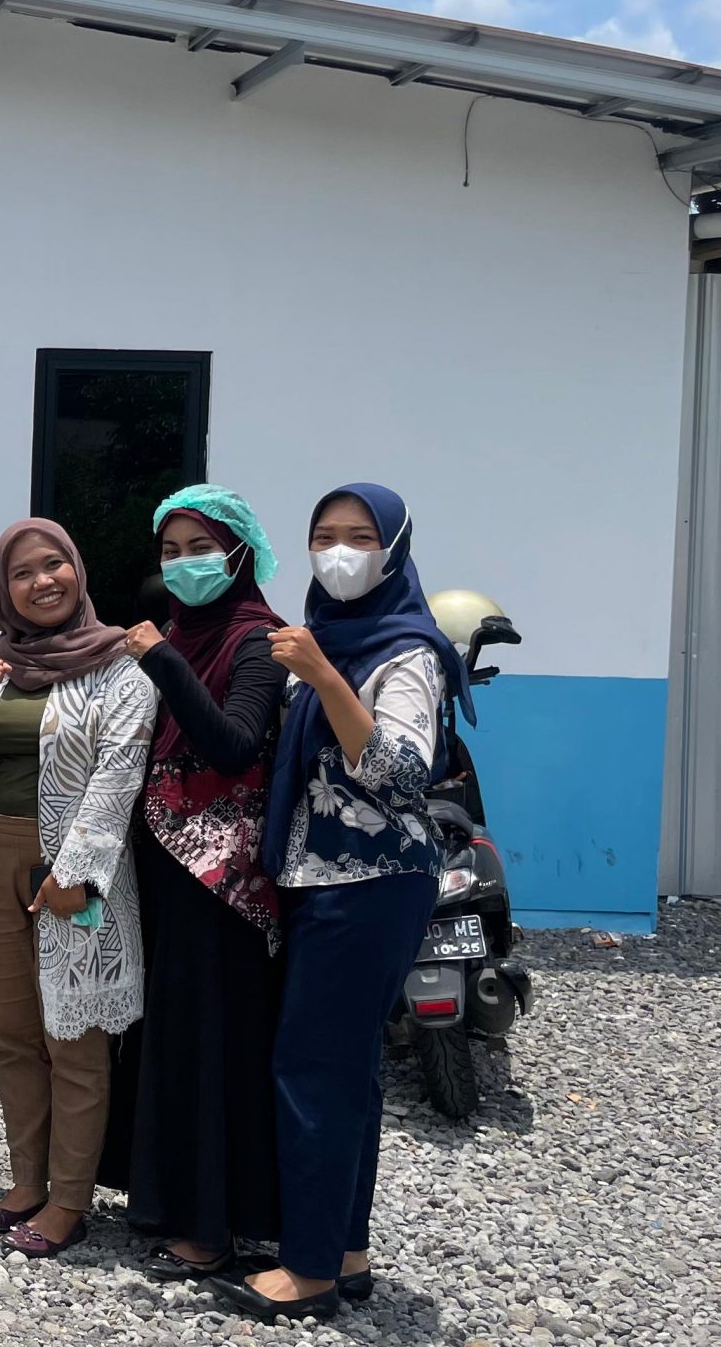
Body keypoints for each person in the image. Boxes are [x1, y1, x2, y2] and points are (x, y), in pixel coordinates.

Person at [215, 483, 467, 1322]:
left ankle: (310, 1271)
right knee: (347, 1071)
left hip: (371, 883)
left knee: (313, 1069)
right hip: (321, 880)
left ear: (393, 549)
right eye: (324, 536)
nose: (339, 552)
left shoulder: (407, 651)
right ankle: (345, 1251)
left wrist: (324, 678)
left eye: (360, 537)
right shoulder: (321, 635)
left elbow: (400, 773)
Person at [0, 518, 154, 1260]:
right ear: (5, 588)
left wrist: (77, 871)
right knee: (13, 1034)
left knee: (76, 1038)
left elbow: (119, 775)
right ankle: (27, 1181)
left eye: (54, 563)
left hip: (72, 871)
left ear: (77, 569)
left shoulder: (118, 667)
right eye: (22, 572)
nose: (42, 581)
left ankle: (69, 1201)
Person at [109, 485, 287, 1278]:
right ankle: (166, 1203)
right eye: (171, 552)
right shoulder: (182, 635)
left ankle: (215, 1229)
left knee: (215, 1045)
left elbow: (234, 745)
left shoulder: (258, 640)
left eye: (201, 549)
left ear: (240, 553)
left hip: (225, 885)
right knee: (168, 1039)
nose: (184, 565)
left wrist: (162, 661)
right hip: (162, 871)